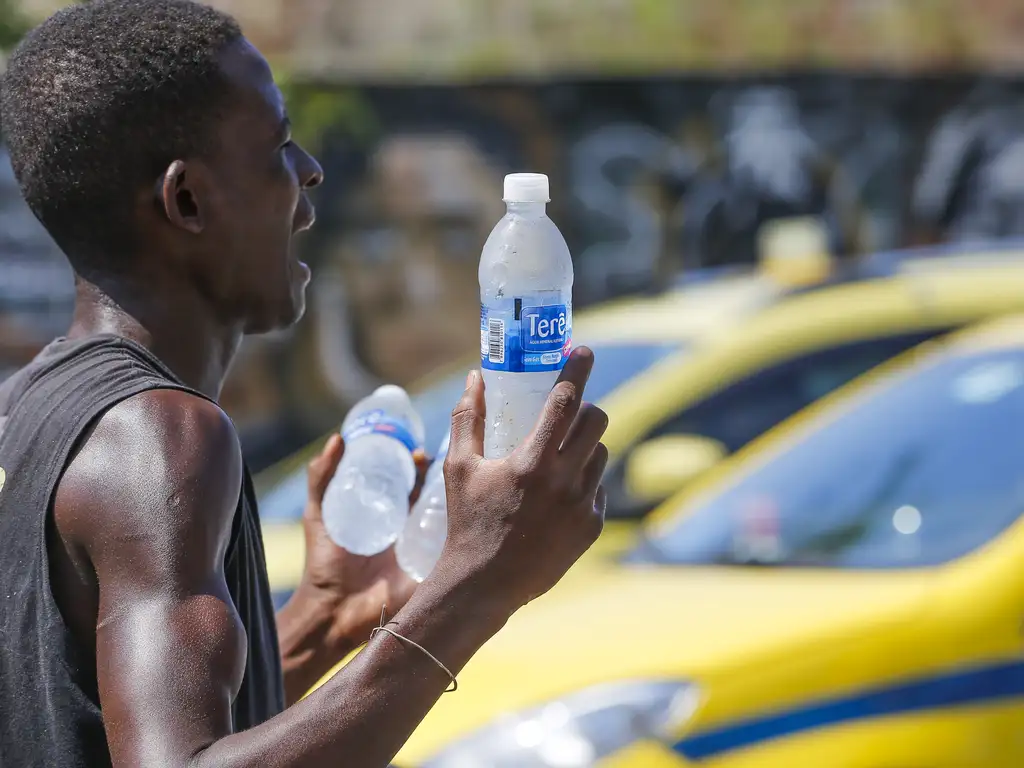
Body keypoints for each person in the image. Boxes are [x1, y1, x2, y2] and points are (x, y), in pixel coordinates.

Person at [0, 2, 609, 766]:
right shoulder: (160, 436)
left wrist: (322, 617)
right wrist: (476, 584)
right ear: (186, 200)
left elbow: (131, 727)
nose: (309, 169)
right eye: (277, 146)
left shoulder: (33, 399)